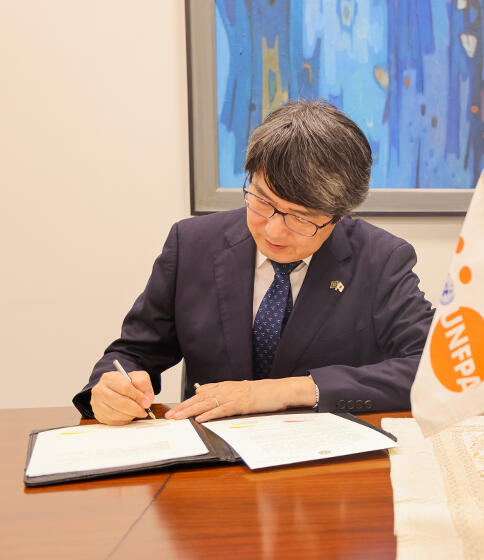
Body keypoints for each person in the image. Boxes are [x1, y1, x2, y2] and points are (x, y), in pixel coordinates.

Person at [74, 100, 434, 425]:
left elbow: (432, 367)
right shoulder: (192, 245)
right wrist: (110, 389)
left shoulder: (380, 260)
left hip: (325, 468)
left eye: (301, 217)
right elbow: (135, 351)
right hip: (212, 464)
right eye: (262, 200)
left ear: (339, 216)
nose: (274, 229)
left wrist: (283, 391)